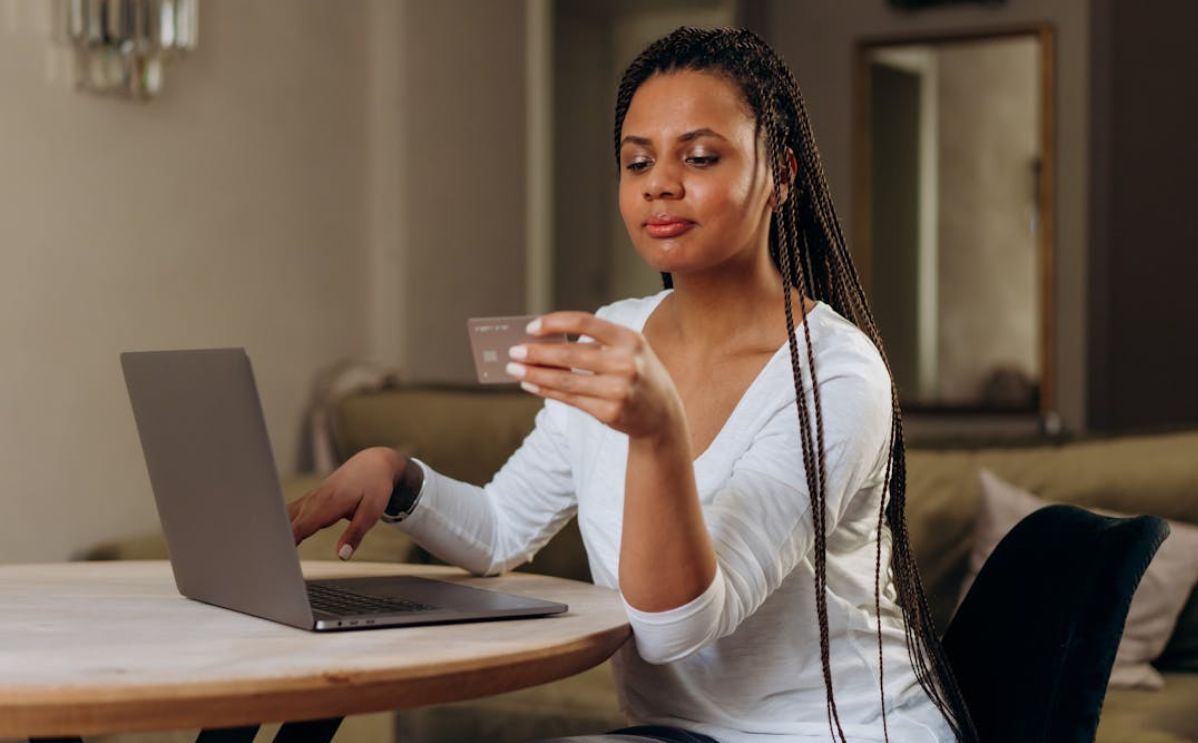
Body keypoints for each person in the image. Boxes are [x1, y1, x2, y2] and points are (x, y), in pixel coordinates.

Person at [288, 27, 976, 743]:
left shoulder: (836, 375)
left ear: (780, 175)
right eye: (637, 161)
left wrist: (655, 436)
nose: (660, 184)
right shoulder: (614, 336)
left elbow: (679, 627)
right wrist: (397, 478)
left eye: (700, 157)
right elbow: (500, 530)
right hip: (676, 732)